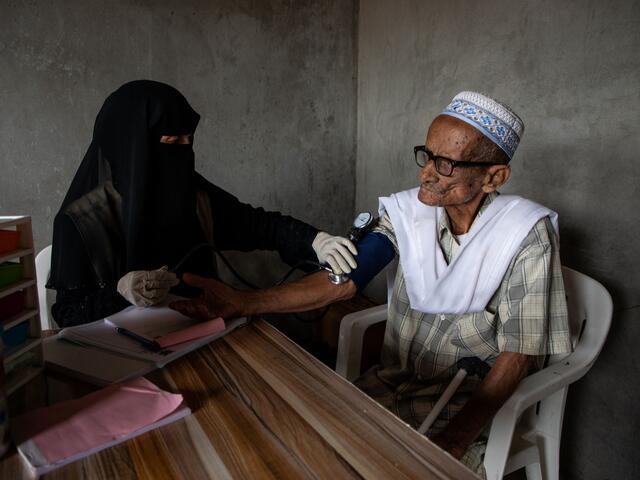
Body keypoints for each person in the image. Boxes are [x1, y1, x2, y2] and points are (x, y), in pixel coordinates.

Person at [169, 91, 573, 476]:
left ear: (493, 177)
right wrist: (243, 303)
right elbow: (342, 283)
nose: (425, 174)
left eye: (444, 164)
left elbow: (520, 354)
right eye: (427, 156)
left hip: (460, 409)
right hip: (387, 385)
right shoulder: (412, 215)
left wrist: (453, 442)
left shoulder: (524, 235)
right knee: (291, 442)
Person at [47, 80, 357, 328]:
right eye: (171, 143)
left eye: (188, 141)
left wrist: (316, 240)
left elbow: (258, 225)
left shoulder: (191, 192)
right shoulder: (80, 222)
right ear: (133, 148)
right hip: (115, 357)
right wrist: (119, 293)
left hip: (198, 330)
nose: (183, 153)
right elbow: (67, 314)